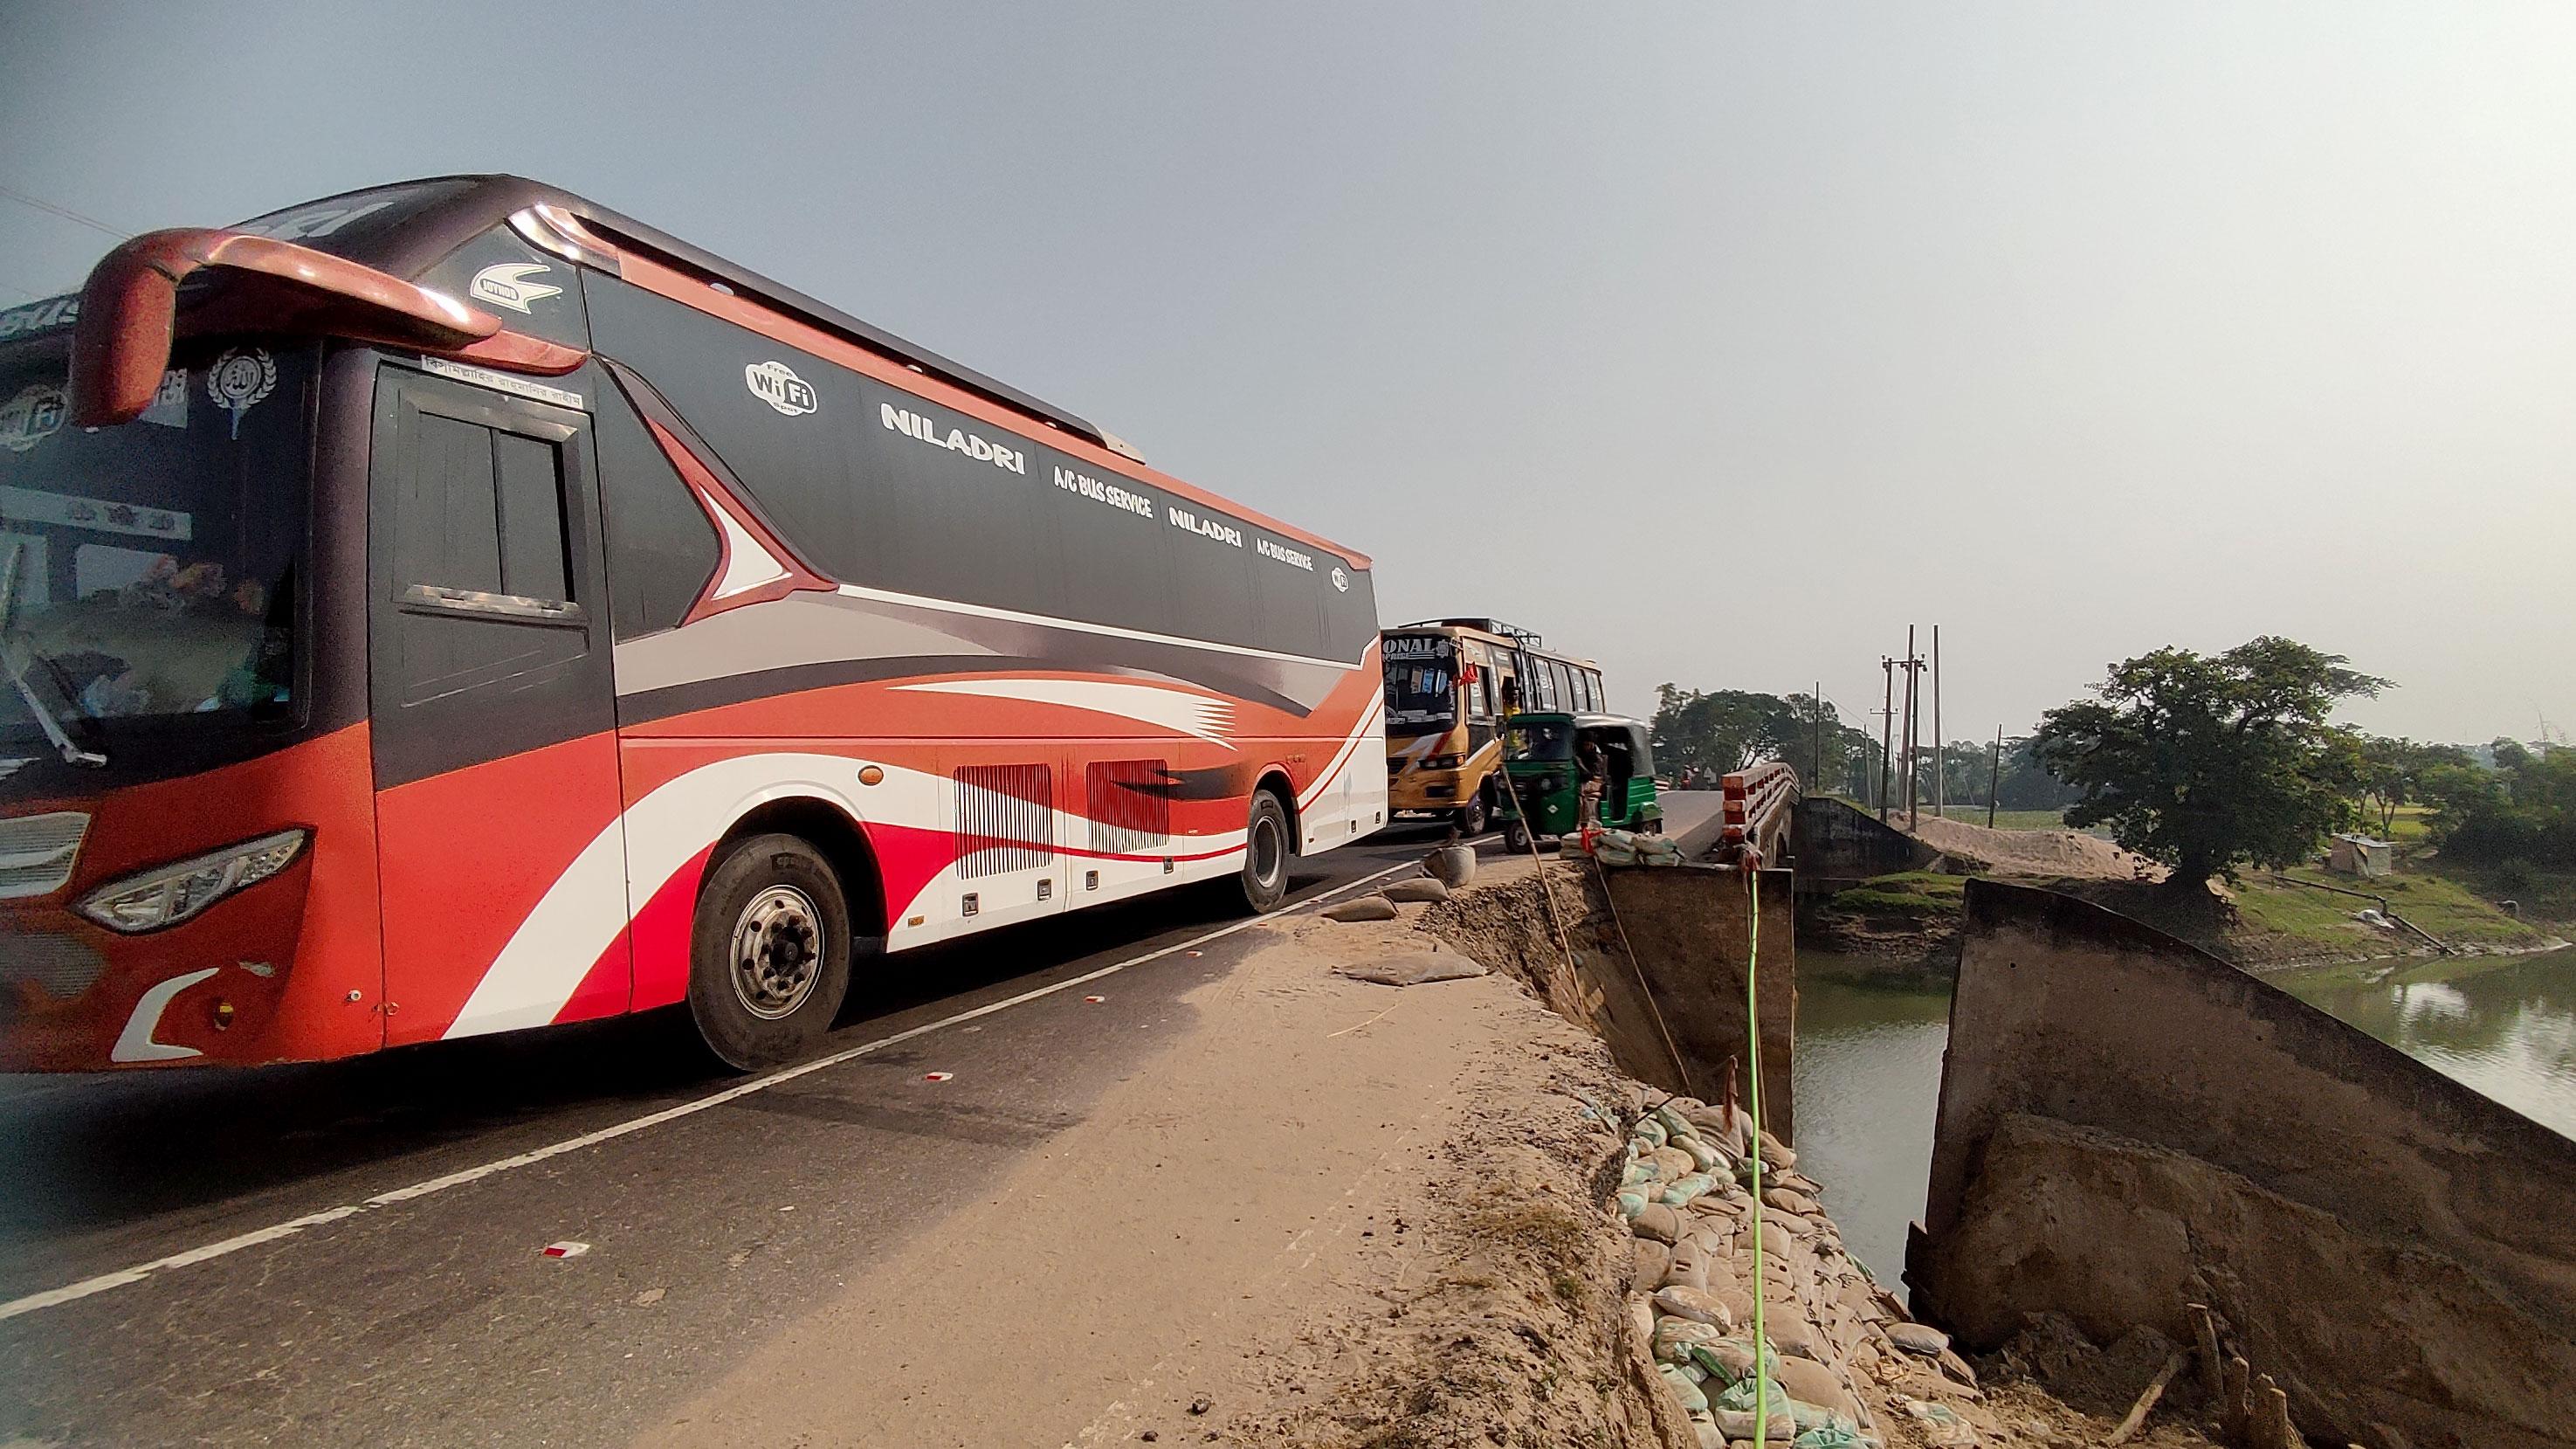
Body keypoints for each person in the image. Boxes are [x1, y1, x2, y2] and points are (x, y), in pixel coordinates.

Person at [1575, 734, 1606, 829]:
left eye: (1588, 745)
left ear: (1592, 745)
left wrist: (1580, 763)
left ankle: (1585, 822)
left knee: (1583, 796)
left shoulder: (1596, 758)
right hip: (1584, 781)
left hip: (1594, 782)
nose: (1586, 747)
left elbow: (1592, 775)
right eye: (1584, 745)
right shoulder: (1581, 754)